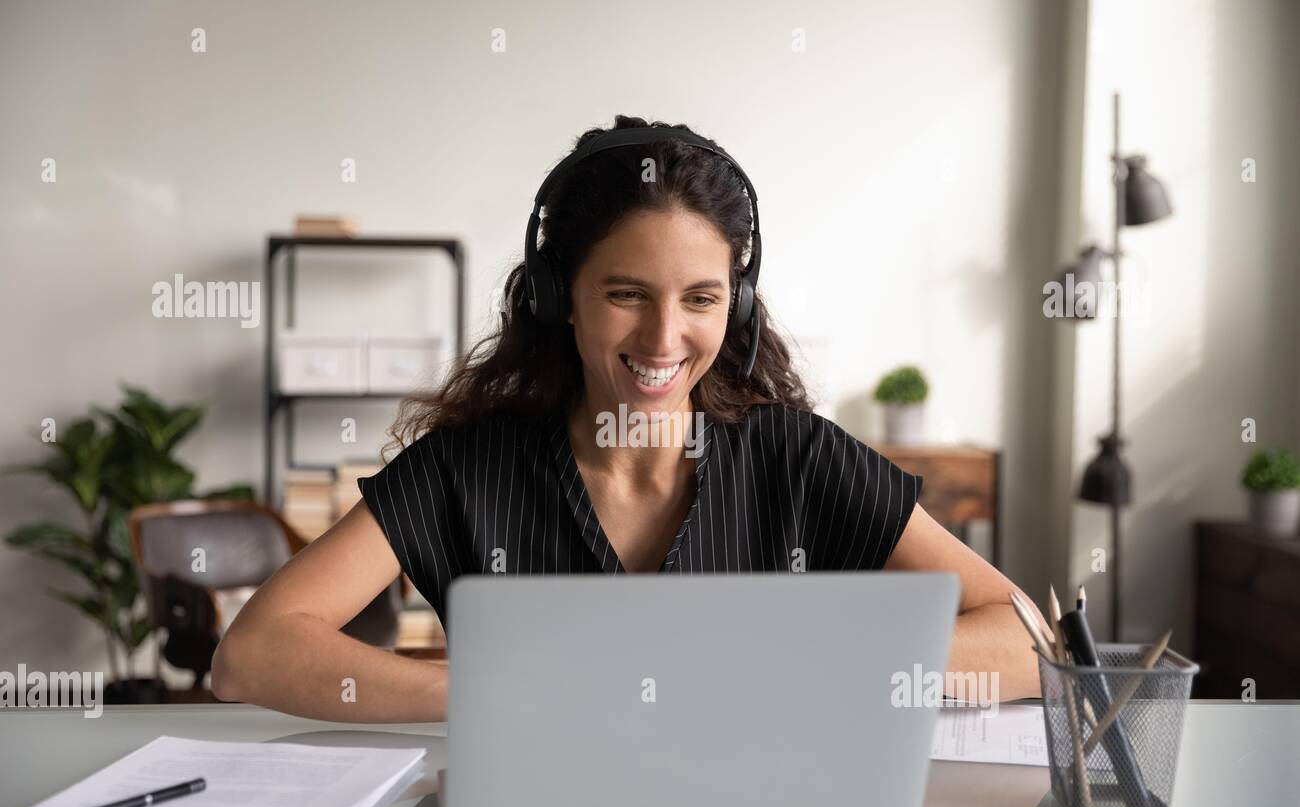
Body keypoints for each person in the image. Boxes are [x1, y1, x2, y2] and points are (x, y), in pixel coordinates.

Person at [212, 115, 1044, 722]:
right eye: (625, 295)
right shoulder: (468, 468)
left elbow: (1032, 640)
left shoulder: (799, 459)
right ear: (558, 299)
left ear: (738, 310)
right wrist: (496, 693)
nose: (663, 338)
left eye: (701, 299)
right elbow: (250, 656)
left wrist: (807, 666)